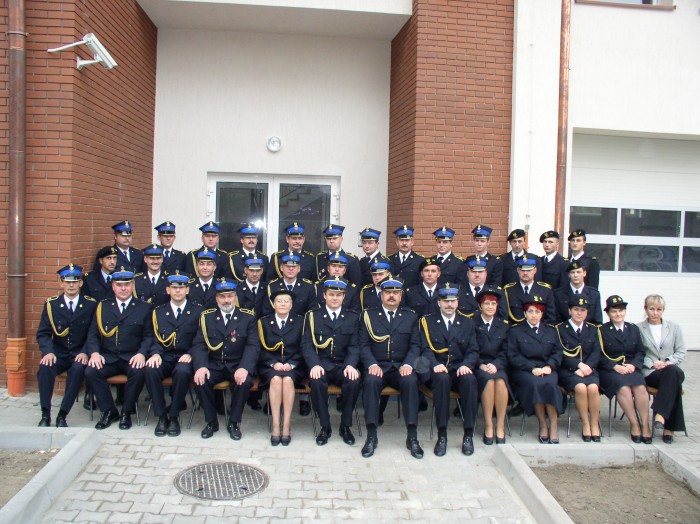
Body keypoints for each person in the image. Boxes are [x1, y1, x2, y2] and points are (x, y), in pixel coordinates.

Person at [359, 278, 423, 459]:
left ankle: (412, 436)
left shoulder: (411, 316)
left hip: (401, 367)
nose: (392, 296)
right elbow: (363, 345)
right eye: (388, 292)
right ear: (381, 295)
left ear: (401, 296)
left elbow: (415, 345)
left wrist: (408, 364)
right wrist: (372, 364)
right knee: (370, 382)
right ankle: (372, 436)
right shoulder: (368, 315)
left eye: (396, 293)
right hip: (377, 366)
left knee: (411, 382)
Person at [84, 267, 154, 430]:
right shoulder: (103, 306)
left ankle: (126, 412)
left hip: (132, 357)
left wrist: (142, 354)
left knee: (139, 372)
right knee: (91, 371)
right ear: (113, 286)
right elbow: (93, 334)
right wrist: (94, 353)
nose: (123, 288)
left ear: (133, 286)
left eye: (127, 285)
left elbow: (149, 336)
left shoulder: (144, 307)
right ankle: (109, 410)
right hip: (108, 356)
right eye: (119, 285)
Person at [191, 279, 260, 440]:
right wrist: (201, 366)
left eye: (230, 296)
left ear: (235, 297)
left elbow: (253, 345)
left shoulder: (247, 317)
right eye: (222, 297)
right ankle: (211, 422)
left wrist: (244, 367)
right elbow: (199, 344)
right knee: (200, 380)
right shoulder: (207, 317)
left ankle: (234, 422)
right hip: (214, 364)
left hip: (237, 364)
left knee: (244, 382)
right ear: (216, 298)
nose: (226, 300)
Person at [418, 284, 479, 456]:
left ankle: (468, 434)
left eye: (452, 301)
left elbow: (473, 350)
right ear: (439, 303)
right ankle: (442, 434)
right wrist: (434, 364)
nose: (449, 305)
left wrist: (467, 365)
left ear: (458, 302)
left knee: (470, 380)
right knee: (442, 379)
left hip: (459, 368)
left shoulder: (467, 323)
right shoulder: (427, 322)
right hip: (437, 370)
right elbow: (424, 349)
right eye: (445, 301)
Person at [302, 277, 361, 446]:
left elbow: (355, 345)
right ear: (324, 295)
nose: (335, 298)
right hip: (322, 364)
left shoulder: (352, 317)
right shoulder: (313, 316)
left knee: (353, 381)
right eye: (331, 294)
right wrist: (314, 364)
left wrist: (350, 364)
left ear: (344, 296)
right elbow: (306, 344)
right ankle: (325, 426)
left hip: (343, 365)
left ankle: (345, 425)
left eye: (338, 295)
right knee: (316, 382)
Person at [144, 271, 204, 437]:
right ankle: (161, 416)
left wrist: (191, 354)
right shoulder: (158, 312)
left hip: (186, 356)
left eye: (182, 287)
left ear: (187, 290)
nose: (178, 291)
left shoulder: (198, 311)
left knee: (182, 371)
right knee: (150, 369)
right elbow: (154, 337)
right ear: (168, 290)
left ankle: (174, 416)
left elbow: (200, 339)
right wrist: (155, 353)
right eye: (174, 288)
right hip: (165, 355)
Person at [36, 264, 97, 427]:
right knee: (45, 368)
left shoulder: (90, 305)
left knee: (78, 370)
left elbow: (93, 334)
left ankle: (62, 415)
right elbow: (43, 333)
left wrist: (85, 352)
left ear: (81, 283)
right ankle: (45, 414)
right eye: (67, 282)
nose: (71, 285)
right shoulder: (52, 304)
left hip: (79, 353)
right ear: (61, 283)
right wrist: (48, 352)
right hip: (58, 353)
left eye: (75, 281)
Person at [507, 296, 563, 444]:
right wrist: (532, 368)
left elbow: (557, 352)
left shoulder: (551, 331)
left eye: (537, 312)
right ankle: (543, 424)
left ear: (542, 314)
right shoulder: (515, 331)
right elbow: (513, 355)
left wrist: (549, 366)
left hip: (547, 369)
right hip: (525, 371)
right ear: (524, 313)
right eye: (530, 311)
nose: (533, 315)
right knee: (536, 384)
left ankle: (554, 426)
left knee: (550, 385)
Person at [599, 295, 652, 444]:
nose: (618, 314)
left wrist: (634, 365)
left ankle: (645, 424)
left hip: (630, 368)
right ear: (608, 313)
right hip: (611, 370)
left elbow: (640, 351)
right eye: (614, 311)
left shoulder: (633, 328)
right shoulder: (602, 330)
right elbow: (599, 355)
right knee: (623, 389)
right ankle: (634, 424)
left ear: (625, 311)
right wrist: (614, 366)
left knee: (641, 388)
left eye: (621, 310)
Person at [257, 289, 305, 446]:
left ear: (291, 305)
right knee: (276, 379)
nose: (283, 304)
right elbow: (259, 348)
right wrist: (273, 363)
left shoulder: (300, 322)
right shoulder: (263, 322)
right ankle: (276, 425)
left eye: (286, 301)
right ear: (273, 304)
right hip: (270, 365)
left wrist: (292, 363)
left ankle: (287, 425)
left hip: (294, 365)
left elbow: (304, 347)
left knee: (288, 380)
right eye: (279, 301)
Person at [638, 294, 686, 443]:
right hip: (651, 371)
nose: (655, 313)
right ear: (645, 309)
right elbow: (638, 352)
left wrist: (668, 362)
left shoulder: (674, 327)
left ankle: (660, 413)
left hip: (670, 368)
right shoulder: (638, 328)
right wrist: (653, 363)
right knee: (674, 383)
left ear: (663, 310)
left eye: (659, 309)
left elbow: (681, 351)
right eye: (651, 309)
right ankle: (668, 429)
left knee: (672, 372)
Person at [556, 296, 602, 442]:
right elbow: (559, 352)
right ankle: (585, 423)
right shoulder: (560, 329)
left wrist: (587, 367)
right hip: (568, 370)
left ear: (587, 312)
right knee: (581, 388)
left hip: (589, 369)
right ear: (569, 311)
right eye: (576, 309)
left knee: (593, 388)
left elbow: (596, 352)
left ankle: (594, 423)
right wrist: (577, 365)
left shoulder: (593, 329)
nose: (579, 313)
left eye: (583, 310)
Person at [473, 287, 510, 445]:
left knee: (500, 381)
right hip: (478, 365)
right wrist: (480, 364)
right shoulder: (471, 323)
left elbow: (507, 350)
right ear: (480, 306)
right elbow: (470, 348)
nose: (490, 306)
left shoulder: (504, 325)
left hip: (498, 365)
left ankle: (500, 425)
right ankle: (488, 425)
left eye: (493, 304)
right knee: (488, 381)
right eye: (486, 303)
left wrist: (496, 364)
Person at [503, 257, 556, 325]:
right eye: (522, 270)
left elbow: (550, 318)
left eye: (528, 270)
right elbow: (505, 318)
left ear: (535, 270)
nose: (525, 273)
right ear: (518, 270)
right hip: (515, 330)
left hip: (539, 330)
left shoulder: (545, 290)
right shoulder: (508, 290)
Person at [553, 261, 603, 325]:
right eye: (572, 272)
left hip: (588, 330)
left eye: (578, 272)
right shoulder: (558, 294)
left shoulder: (594, 294)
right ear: (569, 274)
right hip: (564, 329)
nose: (575, 275)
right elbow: (556, 320)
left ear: (584, 273)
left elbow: (598, 320)